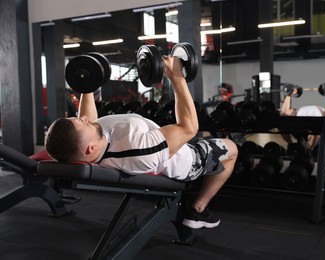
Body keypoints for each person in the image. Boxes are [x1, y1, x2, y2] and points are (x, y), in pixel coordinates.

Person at [45, 55, 238, 230]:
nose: (85, 119)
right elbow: (189, 128)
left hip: (163, 138)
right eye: (82, 123)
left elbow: (88, 118)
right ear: (90, 148)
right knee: (232, 149)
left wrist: (86, 85)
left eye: (78, 118)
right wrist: (177, 76)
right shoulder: (137, 149)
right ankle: (198, 209)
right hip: (187, 159)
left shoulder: (94, 141)